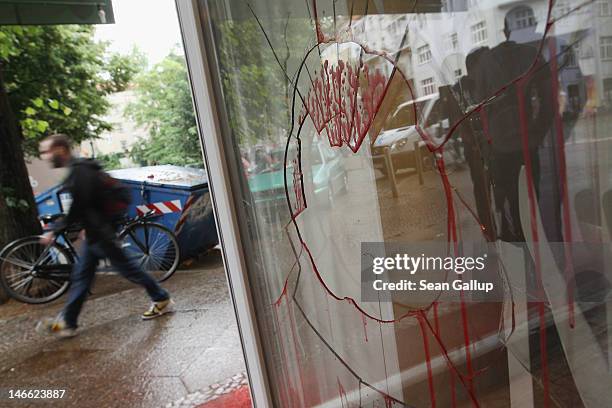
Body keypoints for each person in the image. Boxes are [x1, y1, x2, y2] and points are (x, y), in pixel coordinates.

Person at [36, 134, 173, 338]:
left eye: (47, 151)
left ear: (60, 150)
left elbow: (79, 206)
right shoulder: (81, 170)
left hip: (101, 234)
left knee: (128, 270)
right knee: (82, 277)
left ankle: (161, 298)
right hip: (95, 233)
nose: (44, 156)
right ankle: (68, 322)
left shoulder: (80, 172)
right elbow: (91, 205)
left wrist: (54, 230)